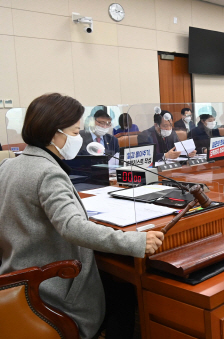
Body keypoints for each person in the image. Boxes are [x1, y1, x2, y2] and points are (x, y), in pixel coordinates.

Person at [0, 93, 164, 339]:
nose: (78, 139)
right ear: (54, 133)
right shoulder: (48, 172)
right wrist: (136, 241)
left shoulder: (9, 165)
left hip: (15, 275)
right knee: (123, 295)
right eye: (75, 133)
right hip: (51, 285)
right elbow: (73, 228)